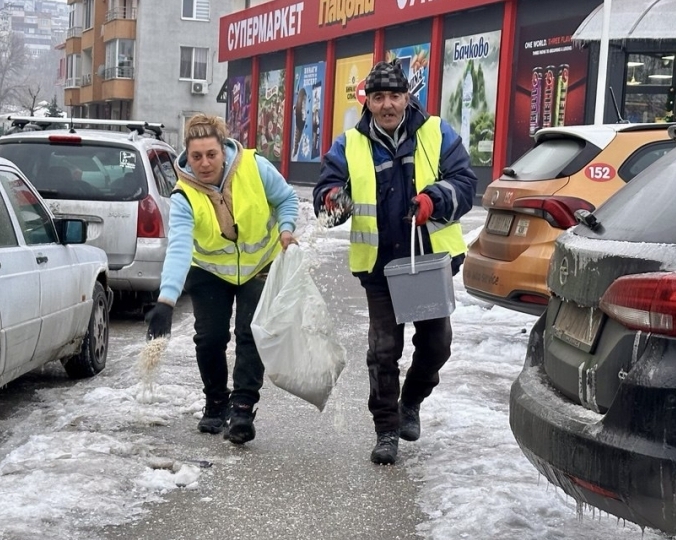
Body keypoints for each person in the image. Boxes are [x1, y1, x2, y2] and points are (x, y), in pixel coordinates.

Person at [313, 59, 476, 465]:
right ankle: (386, 430)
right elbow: (326, 192)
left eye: (395, 96)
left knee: (437, 345)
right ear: (367, 100)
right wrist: (334, 200)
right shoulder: (349, 143)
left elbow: (466, 184)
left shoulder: (436, 132)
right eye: (379, 96)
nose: (387, 105)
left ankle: (411, 403)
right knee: (384, 351)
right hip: (381, 267)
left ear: (408, 97)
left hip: (428, 261)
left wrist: (433, 199)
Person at [145, 114, 299, 445]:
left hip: (258, 263)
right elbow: (179, 247)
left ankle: (242, 408)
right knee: (210, 338)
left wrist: (286, 229)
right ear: (187, 154)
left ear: (223, 150)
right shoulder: (184, 194)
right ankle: (216, 402)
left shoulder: (254, 167)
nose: (204, 163)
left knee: (250, 335)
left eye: (211, 155)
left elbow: (287, 198)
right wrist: (166, 301)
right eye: (196, 156)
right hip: (210, 270)